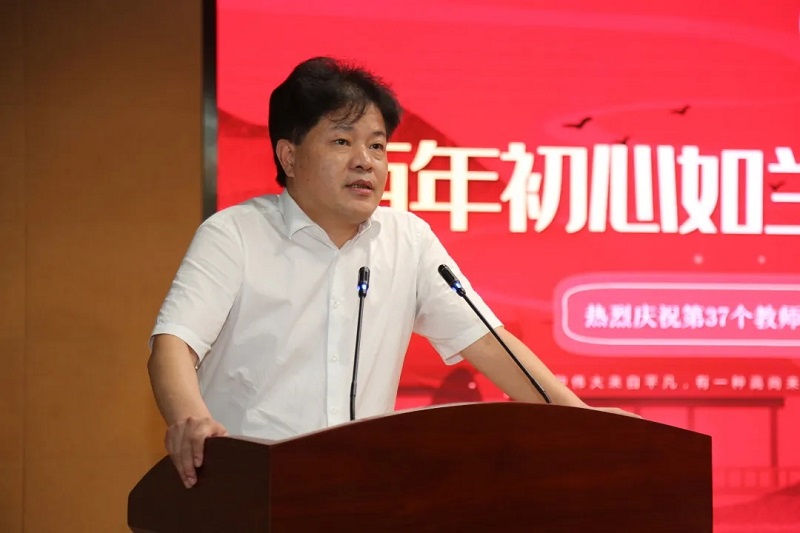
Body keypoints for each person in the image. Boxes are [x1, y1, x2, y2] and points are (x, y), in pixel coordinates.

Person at [147, 56, 636, 489]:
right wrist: (190, 419)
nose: (365, 161)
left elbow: (488, 343)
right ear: (289, 156)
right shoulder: (235, 234)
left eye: (377, 147)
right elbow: (174, 343)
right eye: (342, 141)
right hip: (247, 488)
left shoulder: (408, 239)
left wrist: (581, 420)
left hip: (358, 493)